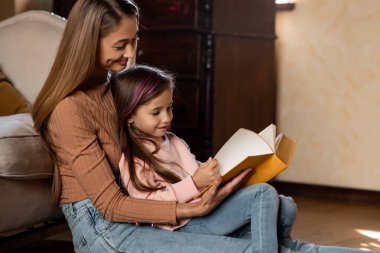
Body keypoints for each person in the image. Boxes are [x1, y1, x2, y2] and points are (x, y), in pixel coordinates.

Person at [31, 0, 378, 252]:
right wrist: (188, 207)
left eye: (134, 41)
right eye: (120, 45)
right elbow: (110, 204)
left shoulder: (115, 89)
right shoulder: (69, 110)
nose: (131, 54)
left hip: (150, 212)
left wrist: (215, 185)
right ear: (87, 42)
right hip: (104, 226)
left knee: (278, 221)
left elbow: (156, 154)